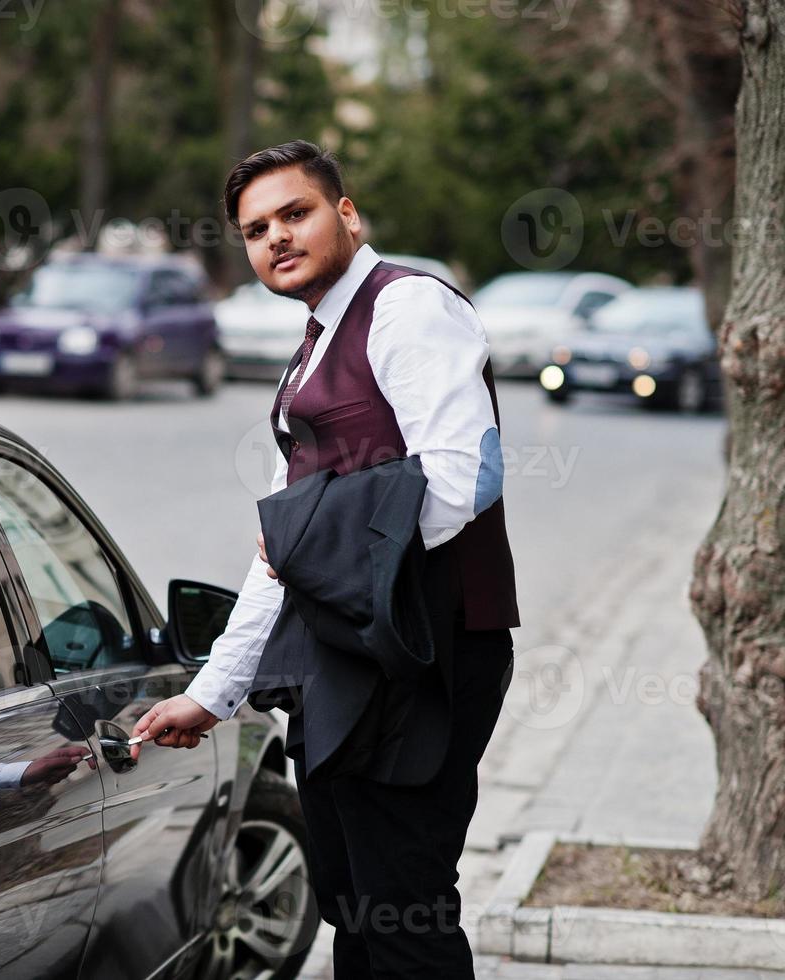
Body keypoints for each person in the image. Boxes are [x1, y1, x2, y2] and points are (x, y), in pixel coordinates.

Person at [131, 140, 519, 979]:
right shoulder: (316, 342)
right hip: (345, 661)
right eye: (254, 228)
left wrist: (322, 544)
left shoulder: (405, 307)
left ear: (346, 214)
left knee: (403, 907)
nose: (275, 236)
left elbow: (465, 480)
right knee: (351, 905)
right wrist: (213, 692)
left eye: (294, 213)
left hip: (425, 652)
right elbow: (280, 550)